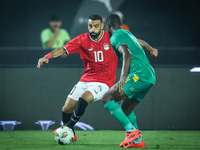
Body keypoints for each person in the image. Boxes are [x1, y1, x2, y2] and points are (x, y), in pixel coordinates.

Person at [37, 14, 156, 144]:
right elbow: (62, 49)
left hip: (104, 82)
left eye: (96, 26)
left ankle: (69, 127)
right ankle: (71, 133)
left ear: (102, 26)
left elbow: (135, 41)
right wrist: (47, 56)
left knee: (86, 98)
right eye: (90, 26)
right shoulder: (82, 39)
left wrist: (150, 48)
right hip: (86, 79)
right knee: (66, 108)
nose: (92, 29)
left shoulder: (111, 37)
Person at [102, 14, 158, 148]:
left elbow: (127, 53)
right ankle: (138, 141)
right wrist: (151, 49)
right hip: (149, 76)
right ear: (120, 25)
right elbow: (141, 42)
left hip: (139, 75)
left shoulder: (115, 36)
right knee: (125, 110)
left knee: (107, 97)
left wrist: (122, 77)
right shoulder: (127, 34)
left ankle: (132, 132)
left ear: (108, 26)